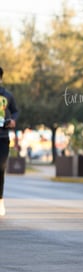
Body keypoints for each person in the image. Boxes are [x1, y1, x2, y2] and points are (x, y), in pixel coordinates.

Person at [0, 66, 19, 216]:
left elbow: (16, 111)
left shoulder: (8, 95)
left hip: (3, 137)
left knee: (1, 169)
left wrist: (13, 120)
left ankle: (0, 201)